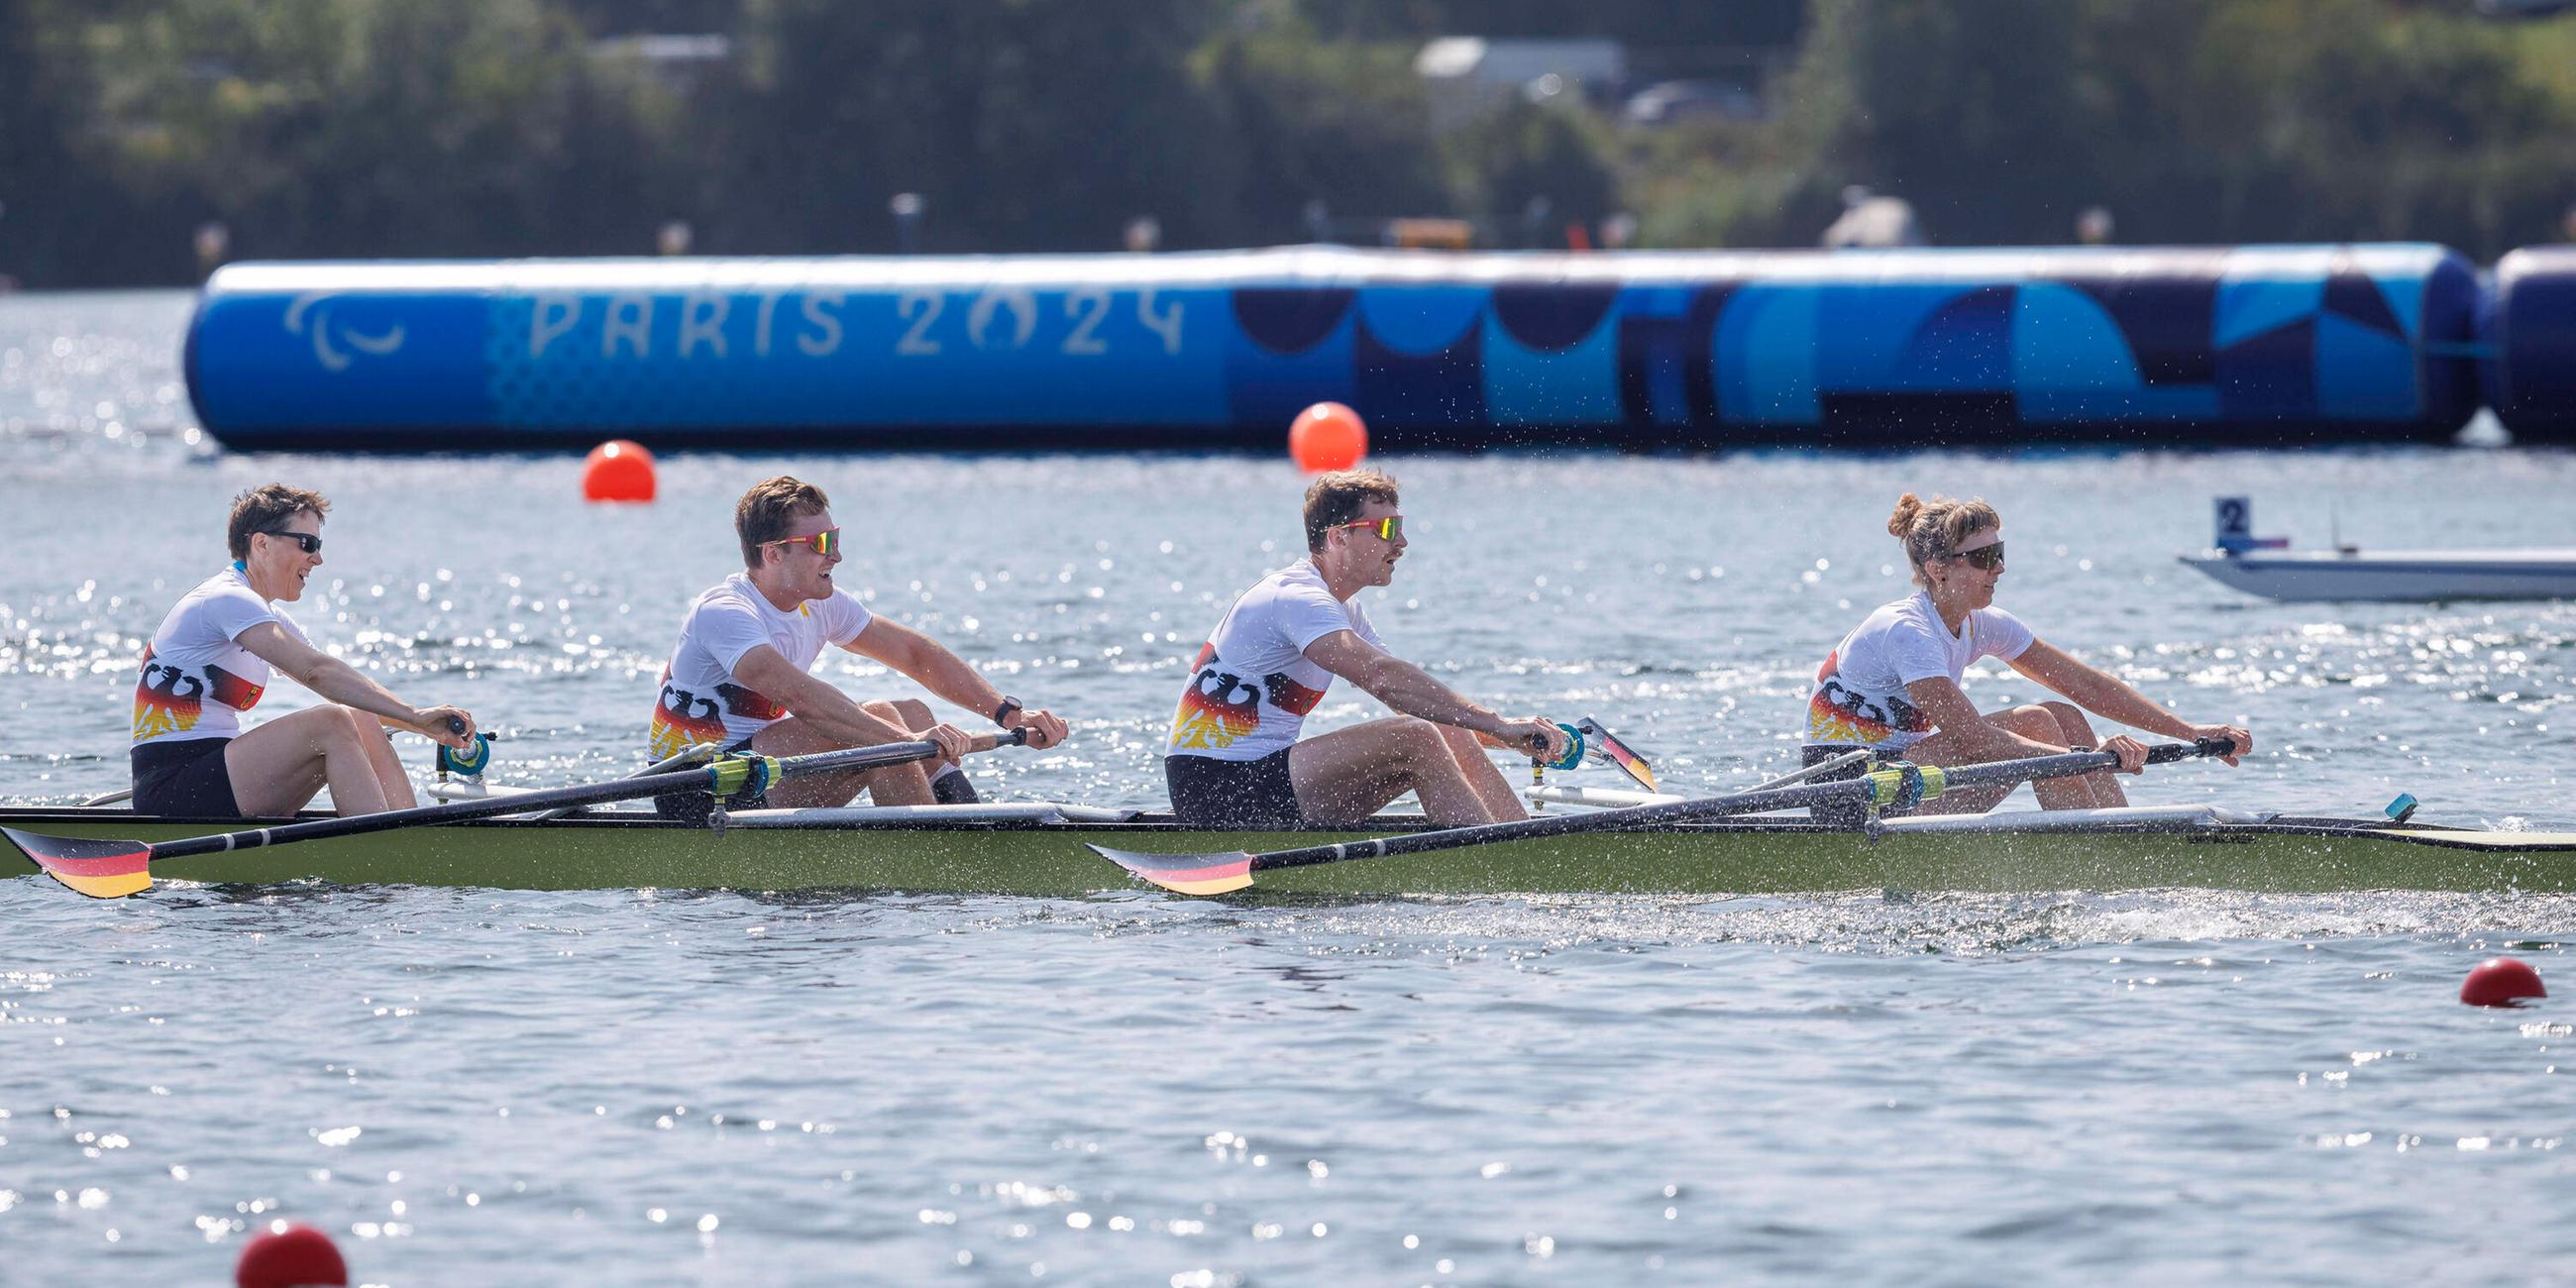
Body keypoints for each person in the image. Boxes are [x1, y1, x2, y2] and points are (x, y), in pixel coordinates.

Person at [1802, 492, 2251, 819]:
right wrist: (2092, 756)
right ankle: (2097, 858)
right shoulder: (1907, 630)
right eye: (1983, 557)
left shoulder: (1983, 622)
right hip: (1848, 790)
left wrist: (2189, 731)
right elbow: (1975, 739)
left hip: (1908, 775)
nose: (1999, 567)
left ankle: (2120, 834)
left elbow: (2087, 686)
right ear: (1939, 570)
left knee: (2062, 713)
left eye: (1999, 553)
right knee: (2040, 722)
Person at [1163, 469, 1570, 828]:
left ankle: (1524, 841)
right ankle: (1497, 864)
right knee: (1417, 736)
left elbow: (1411, 700)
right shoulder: (1296, 598)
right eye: (1388, 530)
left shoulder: (1343, 608)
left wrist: (1508, 735)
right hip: (1216, 790)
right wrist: (1496, 722)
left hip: (1266, 783)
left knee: (1446, 727)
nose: (1404, 542)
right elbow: (1382, 678)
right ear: (1340, 536)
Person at [648, 476, 1068, 820]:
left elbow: (914, 655)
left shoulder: (821, 602)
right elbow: (802, 699)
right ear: (773, 554)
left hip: (763, 771)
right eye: (821, 544)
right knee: (886, 724)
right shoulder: (725, 612)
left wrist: (1008, 713)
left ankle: (970, 833)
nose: (838, 556)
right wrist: (904, 742)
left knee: (913, 710)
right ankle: (936, 869)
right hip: (697, 788)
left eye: (834, 537)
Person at [130, 484, 480, 818]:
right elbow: (316, 673)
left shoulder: (263, 613)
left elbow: (337, 681)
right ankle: (383, 857)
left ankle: (408, 832)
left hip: (214, 776)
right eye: (306, 543)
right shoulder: (225, 599)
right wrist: (414, 714)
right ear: (262, 544)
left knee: (358, 714)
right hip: (172, 785)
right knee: (332, 721)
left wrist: (424, 726)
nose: (318, 558)